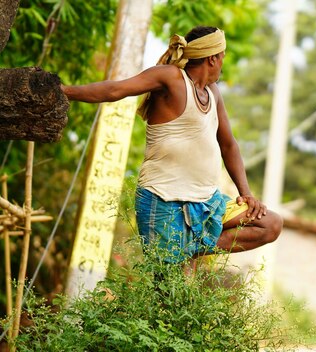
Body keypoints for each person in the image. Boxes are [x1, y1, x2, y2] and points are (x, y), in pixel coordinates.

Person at [62, 26, 283, 264]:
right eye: (222, 58)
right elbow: (116, 89)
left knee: (269, 224)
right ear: (212, 58)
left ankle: (190, 248)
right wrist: (65, 91)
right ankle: (180, 254)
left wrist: (246, 195)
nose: (222, 64)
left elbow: (229, 145)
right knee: (167, 288)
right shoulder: (171, 77)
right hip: (164, 200)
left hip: (208, 203)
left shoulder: (213, 92)